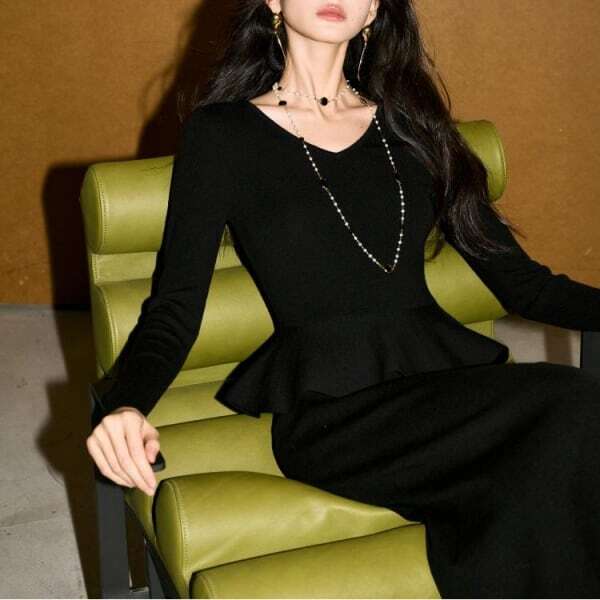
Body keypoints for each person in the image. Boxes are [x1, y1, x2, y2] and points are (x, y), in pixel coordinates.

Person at [86, 0, 600, 596]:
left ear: (374, 9)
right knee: (571, 409)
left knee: (551, 457)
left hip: (445, 385)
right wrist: (125, 404)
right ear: (274, 1)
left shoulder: (414, 128)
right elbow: (174, 309)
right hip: (336, 416)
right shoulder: (223, 134)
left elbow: (524, 283)